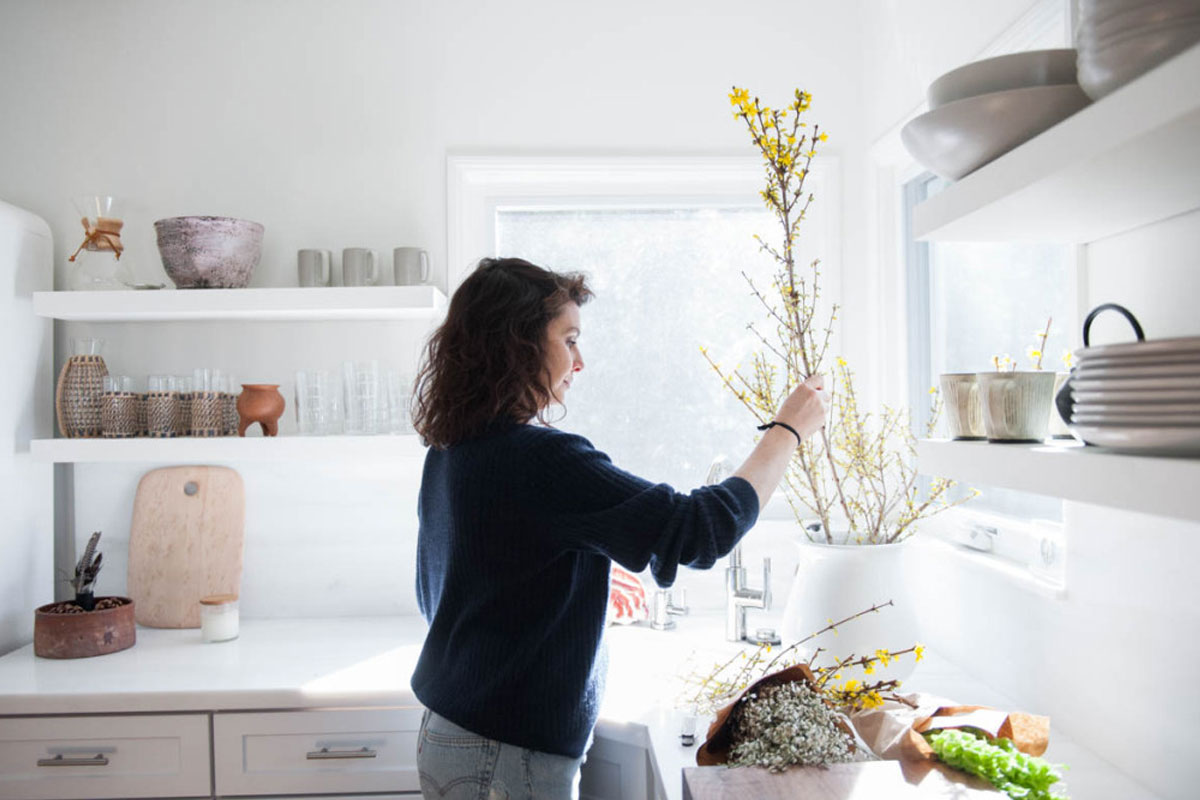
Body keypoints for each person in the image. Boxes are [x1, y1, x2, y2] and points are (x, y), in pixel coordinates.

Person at [410, 257, 828, 799]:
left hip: (455, 729)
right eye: (570, 339)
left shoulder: (454, 450)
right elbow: (697, 532)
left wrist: (573, 581)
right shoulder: (538, 459)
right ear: (518, 344)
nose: (579, 361)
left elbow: (461, 590)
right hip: (502, 751)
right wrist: (786, 432)